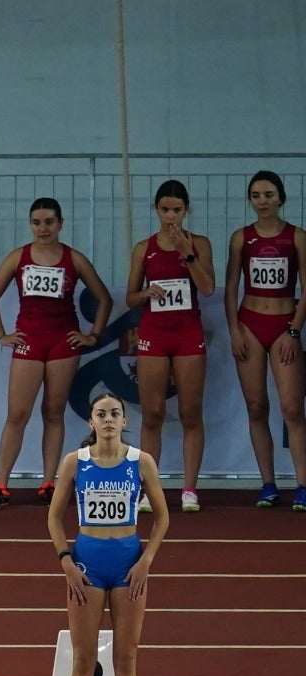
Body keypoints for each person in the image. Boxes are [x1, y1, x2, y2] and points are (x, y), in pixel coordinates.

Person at [47, 391, 169, 676]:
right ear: (91, 422)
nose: (109, 420)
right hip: (87, 564)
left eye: (115, 413)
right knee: (83, 658)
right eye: (101, 414)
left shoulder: (140, 462)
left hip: (128, 563)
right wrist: (65, 560)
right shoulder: (75, 462)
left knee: (127, 656)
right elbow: (53, 518)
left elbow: (163, 517)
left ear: (125, 421)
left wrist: (146, 560)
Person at [0, 197, 113, 509]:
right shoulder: (19, 257)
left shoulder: (74, 259)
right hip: (29, 341)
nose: (43, 228)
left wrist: (92, 335)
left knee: (53, 412)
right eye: (37, 222)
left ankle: (49, 482)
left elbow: (104, 298)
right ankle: (0, 484)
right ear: (31, 224)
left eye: (49, 222)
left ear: (60, 224)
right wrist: (2, 335)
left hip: (62, 344)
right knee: (17, 414)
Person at [125, 179, 215, 514]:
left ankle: (189, 488)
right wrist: (146, 294)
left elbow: (207, 288)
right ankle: (150, 489)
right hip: (154, 334)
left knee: (191, 412)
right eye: (165, 210)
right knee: (153, 413)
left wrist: (187, 253)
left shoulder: (199, 244)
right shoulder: (143, 248)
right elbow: (130, 296)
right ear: (156, 210)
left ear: (186, 210)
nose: (170, 216)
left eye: (177, 210)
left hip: (188, 334)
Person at [222, 169, 306, 510]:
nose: (262, 201)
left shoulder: (297, 236)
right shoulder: (241, 237)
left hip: (285, 324)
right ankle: (268, 483)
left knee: (292, 408)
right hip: (250, 323)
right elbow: (230, 289)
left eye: (269, 195)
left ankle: (301, 484)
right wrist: (234, 329)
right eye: (256, 196)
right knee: (256, 406)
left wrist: (294, 330)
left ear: (281, 198)